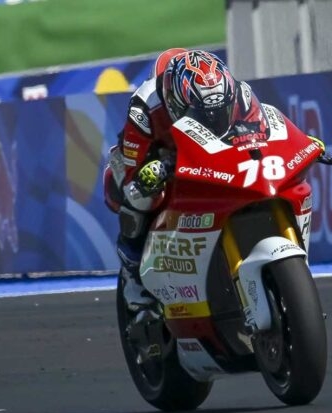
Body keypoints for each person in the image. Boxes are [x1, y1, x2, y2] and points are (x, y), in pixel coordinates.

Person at [104, 48, 277, 311]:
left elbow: (264, 134)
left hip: (214, 152)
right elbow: (131, 167)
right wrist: (148, 172)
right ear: (175, 102)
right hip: (158, 154)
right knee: (138, 195)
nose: (212, 118)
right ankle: (132, 273)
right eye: (202, 112)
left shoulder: (239, 93)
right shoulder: (144, 108)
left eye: (219, 110)